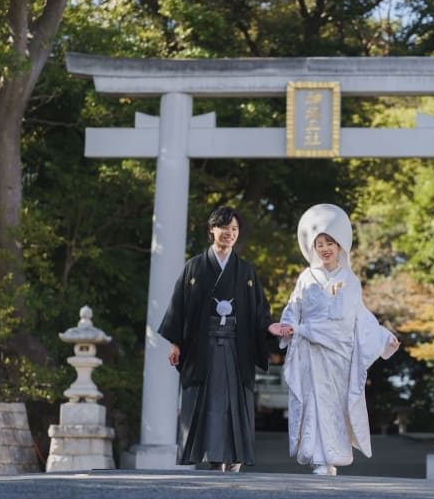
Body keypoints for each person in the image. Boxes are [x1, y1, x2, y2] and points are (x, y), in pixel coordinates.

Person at [268, 203, 400, 476]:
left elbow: (359, 317)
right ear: (312, 248)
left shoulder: (351, 281)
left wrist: (383, 337)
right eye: (319, 244)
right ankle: (318, 458)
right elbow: (294, 309)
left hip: (338, 354)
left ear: (340, 245)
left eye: (330, 242)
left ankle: (334, 457)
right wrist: (288, 327)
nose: (325, 248)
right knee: (313, 401)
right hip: (311, 353)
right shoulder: (306, 278)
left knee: (335, 405)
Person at [158, 206, 274, 472]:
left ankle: (232, 456)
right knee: (207, 401)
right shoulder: (195, 266)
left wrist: (271, 327)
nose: (229, 234)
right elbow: (180, 306)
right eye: (224, 228)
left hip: (235, 347)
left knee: (232, 401)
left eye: (234, 229)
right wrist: (176, 343)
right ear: (212, 230)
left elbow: (259, 310)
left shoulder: (245, 271)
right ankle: (212, 455)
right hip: (203, 347)